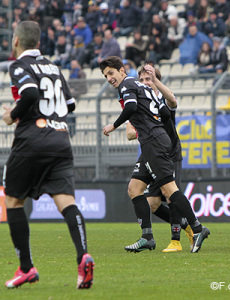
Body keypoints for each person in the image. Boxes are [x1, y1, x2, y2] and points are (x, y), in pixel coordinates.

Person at [3, 21, 94, 289]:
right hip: (61, 141)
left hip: (32, 140)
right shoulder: (53, 67)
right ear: (39, 43)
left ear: (16, 41)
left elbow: (30, 93)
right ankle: (83, 256)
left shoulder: (19, 66)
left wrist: (13, 114)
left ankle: (26, 268)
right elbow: (70, 103)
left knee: (13, 201)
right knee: (66, 201)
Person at [100, 56, 210, 253]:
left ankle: (197, 228)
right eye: (105, 75)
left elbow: (131, 107)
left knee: (169, 190)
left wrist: (113, 125)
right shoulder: (144, 88)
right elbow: (165, 113)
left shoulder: (127, 85)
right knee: (134, 188)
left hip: (153, 142)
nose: (109, 78)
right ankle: (147, 237)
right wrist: (163, 134)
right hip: (154, 141)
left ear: (122, 70)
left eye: (111, 73)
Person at [126, 65, 194, 252]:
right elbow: (129, 134)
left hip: (170, 153)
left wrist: (155, 80)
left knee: (170, 195)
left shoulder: (162, 99)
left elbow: (173, 101)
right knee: (153, 204)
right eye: (142, 80)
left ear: (156, 81)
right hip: (150, 153)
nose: (146, 83)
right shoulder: (138, 105)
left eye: (149, 79)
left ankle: (176, 241)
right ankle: (188, 226)